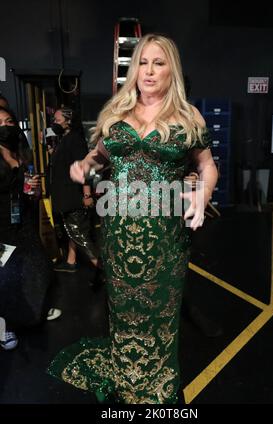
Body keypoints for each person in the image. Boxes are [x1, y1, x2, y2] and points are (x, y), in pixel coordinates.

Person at [48, 34, 218, 403]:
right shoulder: (116, 114)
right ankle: (127, 371)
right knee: (124, 310)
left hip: (166, 234)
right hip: (119, 230)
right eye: (142, 62)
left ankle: (155, 381)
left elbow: (207, 166)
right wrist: (83, 166)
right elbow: (98, 156)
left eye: (159, 62)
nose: (149, 71)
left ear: (172, 68)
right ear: (133, 69)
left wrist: (203, 194)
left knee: (160, 312)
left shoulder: (189, 118)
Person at [0, 106, 61, 350]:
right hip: (1, 225)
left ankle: (33, 311)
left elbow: (29, 195)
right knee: (5, 278)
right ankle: (4, 327)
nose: (5, 126)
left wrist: (33, 192)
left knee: (37, 265)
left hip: (23, 221)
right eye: (0, 122)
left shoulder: (21, 154)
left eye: (9, 121)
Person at [48, 107, 102, 284]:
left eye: (57, 120)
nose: (54, 123)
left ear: (68, 121)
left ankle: (102, 270)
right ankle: (71, 261)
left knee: (79, 234)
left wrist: (87, 194)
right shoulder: (64, 140)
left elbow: (82, 168)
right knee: (73, 230)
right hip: (65, 194)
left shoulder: (75, 140)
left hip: (72, 195)